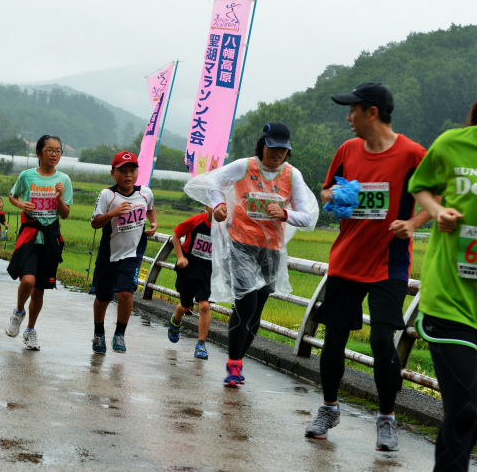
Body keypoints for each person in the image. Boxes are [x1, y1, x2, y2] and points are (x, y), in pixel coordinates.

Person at [304, 83, 430, 452]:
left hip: (389, 263)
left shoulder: (412, 154)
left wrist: (413, 223)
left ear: (371, 112)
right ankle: (329, 408)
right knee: (334, 338)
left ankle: (387, 419)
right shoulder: (347, 149)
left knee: (380, 341)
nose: (348, 118)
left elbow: (434, 196)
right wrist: (335, 197)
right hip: (346, 259)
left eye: (352, 110)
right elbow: (325, 189)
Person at [185, 122, 316, 387]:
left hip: (270, 251)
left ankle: (238, 363)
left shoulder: (292, 176)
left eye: (283, 149)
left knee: (257, 312)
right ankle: (233, 366)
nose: (278, 153)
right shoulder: (244, 166)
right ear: (263, 145)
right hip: (241, 244)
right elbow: (212, 181)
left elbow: (309, 216)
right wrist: (219, 204)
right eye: (273, 147)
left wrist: (285, 214)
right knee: (247, 304)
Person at [409, 101, 477, 472]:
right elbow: (420, 187)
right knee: (464, 409)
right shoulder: (453, 143)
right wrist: (438, 212)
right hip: (450, 298)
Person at [5, 135, 73, 350]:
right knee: (27, 281)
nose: (54, 154)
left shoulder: (64, 180)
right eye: (49, 150)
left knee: (40, 289)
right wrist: (20, 204)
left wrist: (60, 198)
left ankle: (30, 330)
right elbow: (12, 196)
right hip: (30, 236)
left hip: (50, 239)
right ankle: (18, 312)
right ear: (39, 153)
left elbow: (65, 214)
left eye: (58, 151)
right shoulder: (27, 176)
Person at [90, 151, 157, 354]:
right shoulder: (107, 195)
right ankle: (99, 333)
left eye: (132, 171)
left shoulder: (145, 193)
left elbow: (151, 208)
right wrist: (112, 213)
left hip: (132, 253)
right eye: (122, 171)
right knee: (103, 297)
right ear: (113, 173)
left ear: (137, 172)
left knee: (126, 293)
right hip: (109, 253)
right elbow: (95, 223)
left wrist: (154, 223)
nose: (128, 175)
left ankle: (120, 334)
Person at [167, 206, 214, 360]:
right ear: (207, 206)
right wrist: (180, 257)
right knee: (186, 306)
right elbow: (176, 235)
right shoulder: (195, 221)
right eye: (215, 205)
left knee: (204, 305)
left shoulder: (225, 227)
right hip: (187, 269)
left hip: (206, 272)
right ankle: (176, 319)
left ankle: (201, 344)